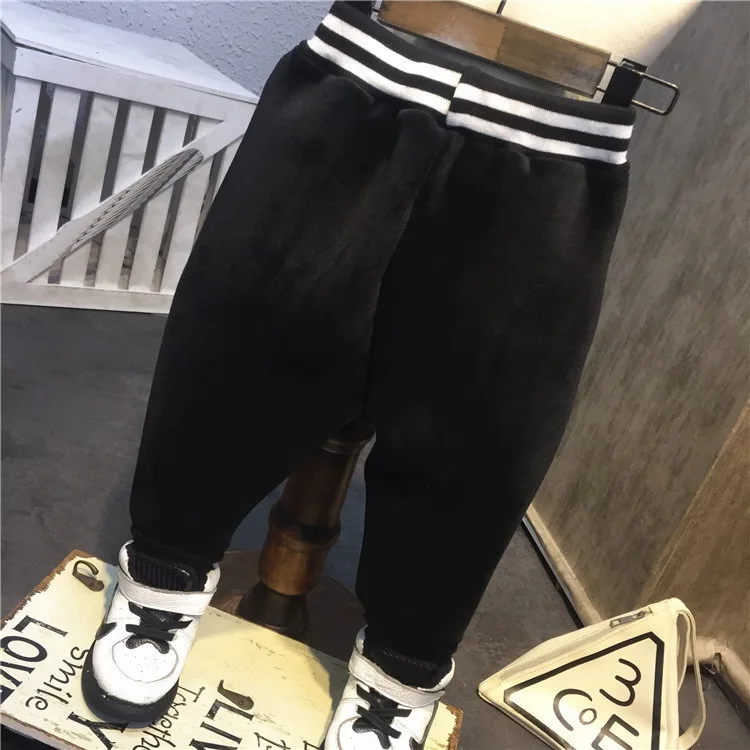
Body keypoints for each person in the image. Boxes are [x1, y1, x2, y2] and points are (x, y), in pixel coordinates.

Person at [81, 3, 697, 748]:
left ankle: (403, 666)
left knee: (481, 426)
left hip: (559, 139)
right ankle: (166, 569)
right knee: (240, 341)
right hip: (365, 77)